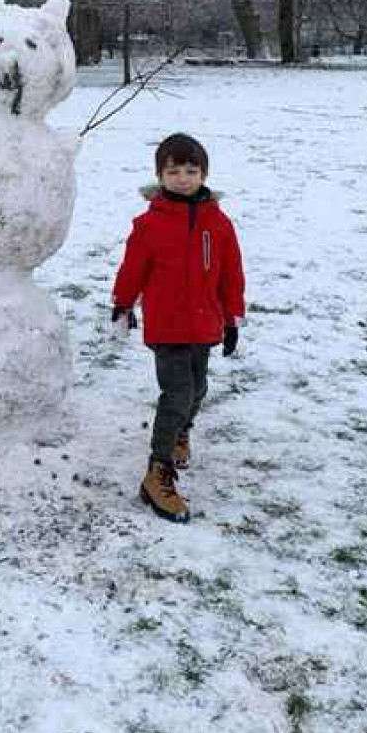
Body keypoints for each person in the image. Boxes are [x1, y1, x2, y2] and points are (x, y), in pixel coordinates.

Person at [111, 133, 245, 523]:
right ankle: (158, 471)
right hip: (167, 325)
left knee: (198, 387)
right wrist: (123, 303)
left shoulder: (218, 224)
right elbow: (133, 268)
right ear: (160, 175)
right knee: (178, 391)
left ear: (204, 174)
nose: (184, 178)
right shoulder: (150, 224)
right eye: (174, 171)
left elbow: (231, 274)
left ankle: (181, 431)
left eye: (192, 171)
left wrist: (232, 316)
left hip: (205, 322)